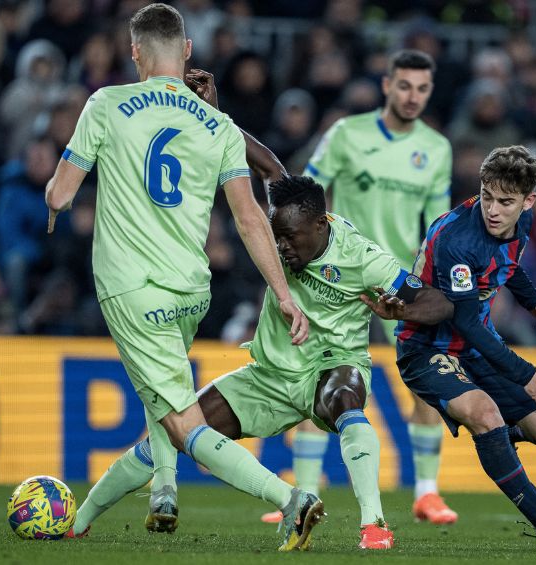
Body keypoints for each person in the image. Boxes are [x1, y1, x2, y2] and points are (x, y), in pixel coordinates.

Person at [43, 4, 318, 551]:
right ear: (187, 51)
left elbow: (60, 192)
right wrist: (283, 295)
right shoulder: (217, 124)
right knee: (160, 399)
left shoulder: (107, 103)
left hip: (132, 289)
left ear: (135, 52)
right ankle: (155, 492)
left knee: (183, 424)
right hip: (191, 291)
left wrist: (57, 203)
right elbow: (247, 218)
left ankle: (291, 500)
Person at [70, 175, 455, 550]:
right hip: (267, 376)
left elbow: (439, 303)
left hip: (331, 366)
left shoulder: (365, 259)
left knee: (345, 399)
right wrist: (216, 120)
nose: (282, 247)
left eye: (290, 237)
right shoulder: (291, 219)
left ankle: (374, 526)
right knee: (175, 433)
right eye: (277, 237)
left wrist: (401, 312)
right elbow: (263, 162)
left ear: (321, 224)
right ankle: (78, 521)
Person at [381, 145, 536, 550]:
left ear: (528, 202)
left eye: (505, 202)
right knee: (486, 414)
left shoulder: (520, 224)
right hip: (427, 349)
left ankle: (495, 439)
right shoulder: (457, 238)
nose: (492, 209)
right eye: (487, 197)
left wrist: (534, 301)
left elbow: (507, 264)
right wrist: (527, 374)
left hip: (474, 351)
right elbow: (467, 323)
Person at [292, 48, 458, 525]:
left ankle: (427, 493)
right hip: (338, 276)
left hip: (398, 281)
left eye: (422, 89)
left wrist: (432, 284)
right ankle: (304, 491)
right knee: (314, 379)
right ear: (386, 85)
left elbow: (438, 225)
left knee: (426, 383)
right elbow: (308, 189)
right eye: (404, 86)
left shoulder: (437, 148)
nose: (413, 96)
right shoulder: (347, 134)